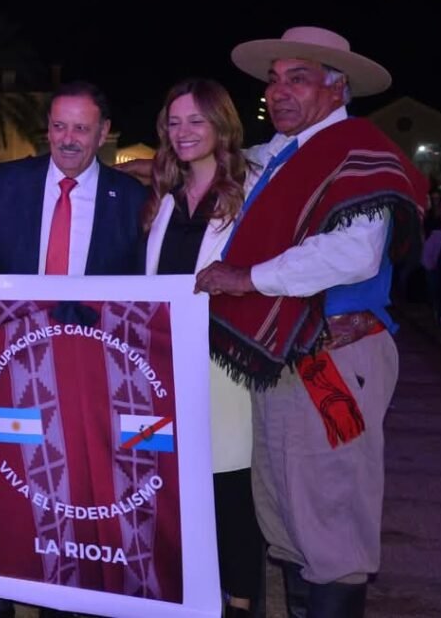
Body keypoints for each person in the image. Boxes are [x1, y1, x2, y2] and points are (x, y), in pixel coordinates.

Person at [195, 27, 427, 617]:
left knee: (331, 525)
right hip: (285, 362)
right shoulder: (280, 156)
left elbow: (353, 254)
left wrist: (245, 279)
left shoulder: (358, 150)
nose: (278, 91)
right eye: (274, 80)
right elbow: (217, 165)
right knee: (290, 523)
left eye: (297, 78)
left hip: (334, 359)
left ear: (336, 86)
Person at [0, 81, 147, 617]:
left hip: (91, 374)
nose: (67, 139)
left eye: (81, 128)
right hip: (17, 367)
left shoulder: (132, 199)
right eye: (59, 126)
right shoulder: (6, 182)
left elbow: (144, 286)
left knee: (75, 488)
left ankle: (63, 597)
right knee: (11, 483)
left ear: (103, 133)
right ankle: (1, 600)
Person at [141, 79, 263, 617]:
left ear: (221, 125)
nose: (184, 131)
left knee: (229, 487)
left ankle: (240, 601)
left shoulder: (251, 190)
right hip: (166, 362)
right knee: (173, 486)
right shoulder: (166, 198)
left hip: (225, 364)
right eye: (174, 121)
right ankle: (186, 594)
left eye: (196, 120)